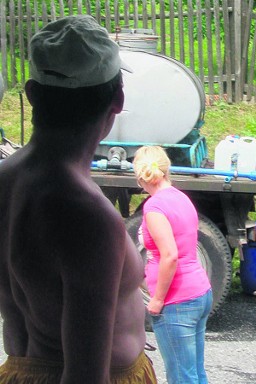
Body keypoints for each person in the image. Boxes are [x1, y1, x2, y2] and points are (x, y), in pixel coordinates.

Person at [0, 15, 156, 383]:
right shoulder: (86, 214)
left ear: (32, 93)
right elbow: (85, 374)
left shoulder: (5, 180)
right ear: (118, 99)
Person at [133, 146, 213, 384]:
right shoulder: (181, 197)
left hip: (176, 301)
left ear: (140, 177)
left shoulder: (154, 206)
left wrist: (157, 299)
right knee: (196, 373)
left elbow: (170, 255)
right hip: (199, 291)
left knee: (181, 377)